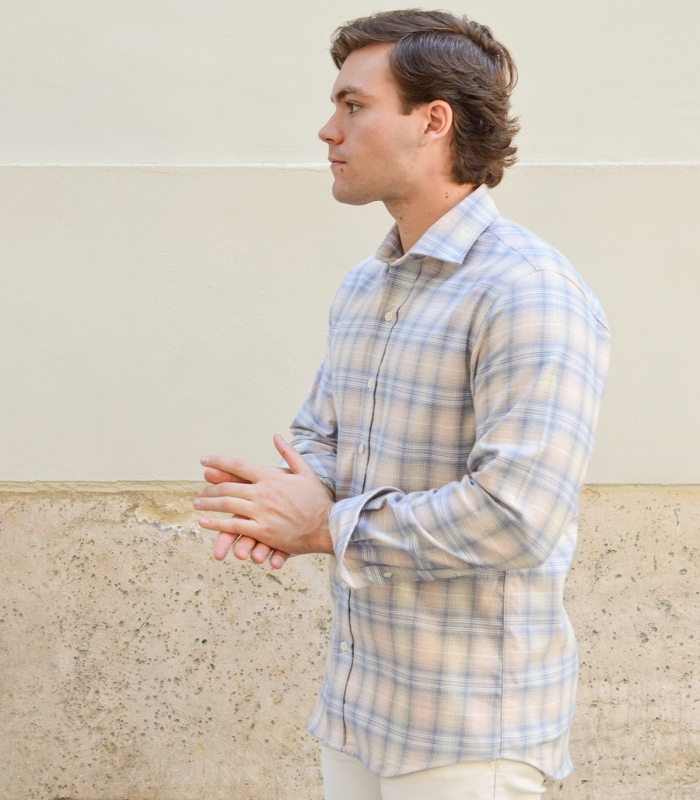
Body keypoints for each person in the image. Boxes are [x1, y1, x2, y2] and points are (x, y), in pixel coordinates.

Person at [193, 10, 610, 800]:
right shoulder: (366, 285)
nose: (327, 130)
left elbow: (517, 514)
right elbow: (322, 434)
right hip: (357, 712)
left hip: (469, 736)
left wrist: (319, 525)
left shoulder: (528, 290)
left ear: (433, 122)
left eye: (354, 106)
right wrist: (285, 495)